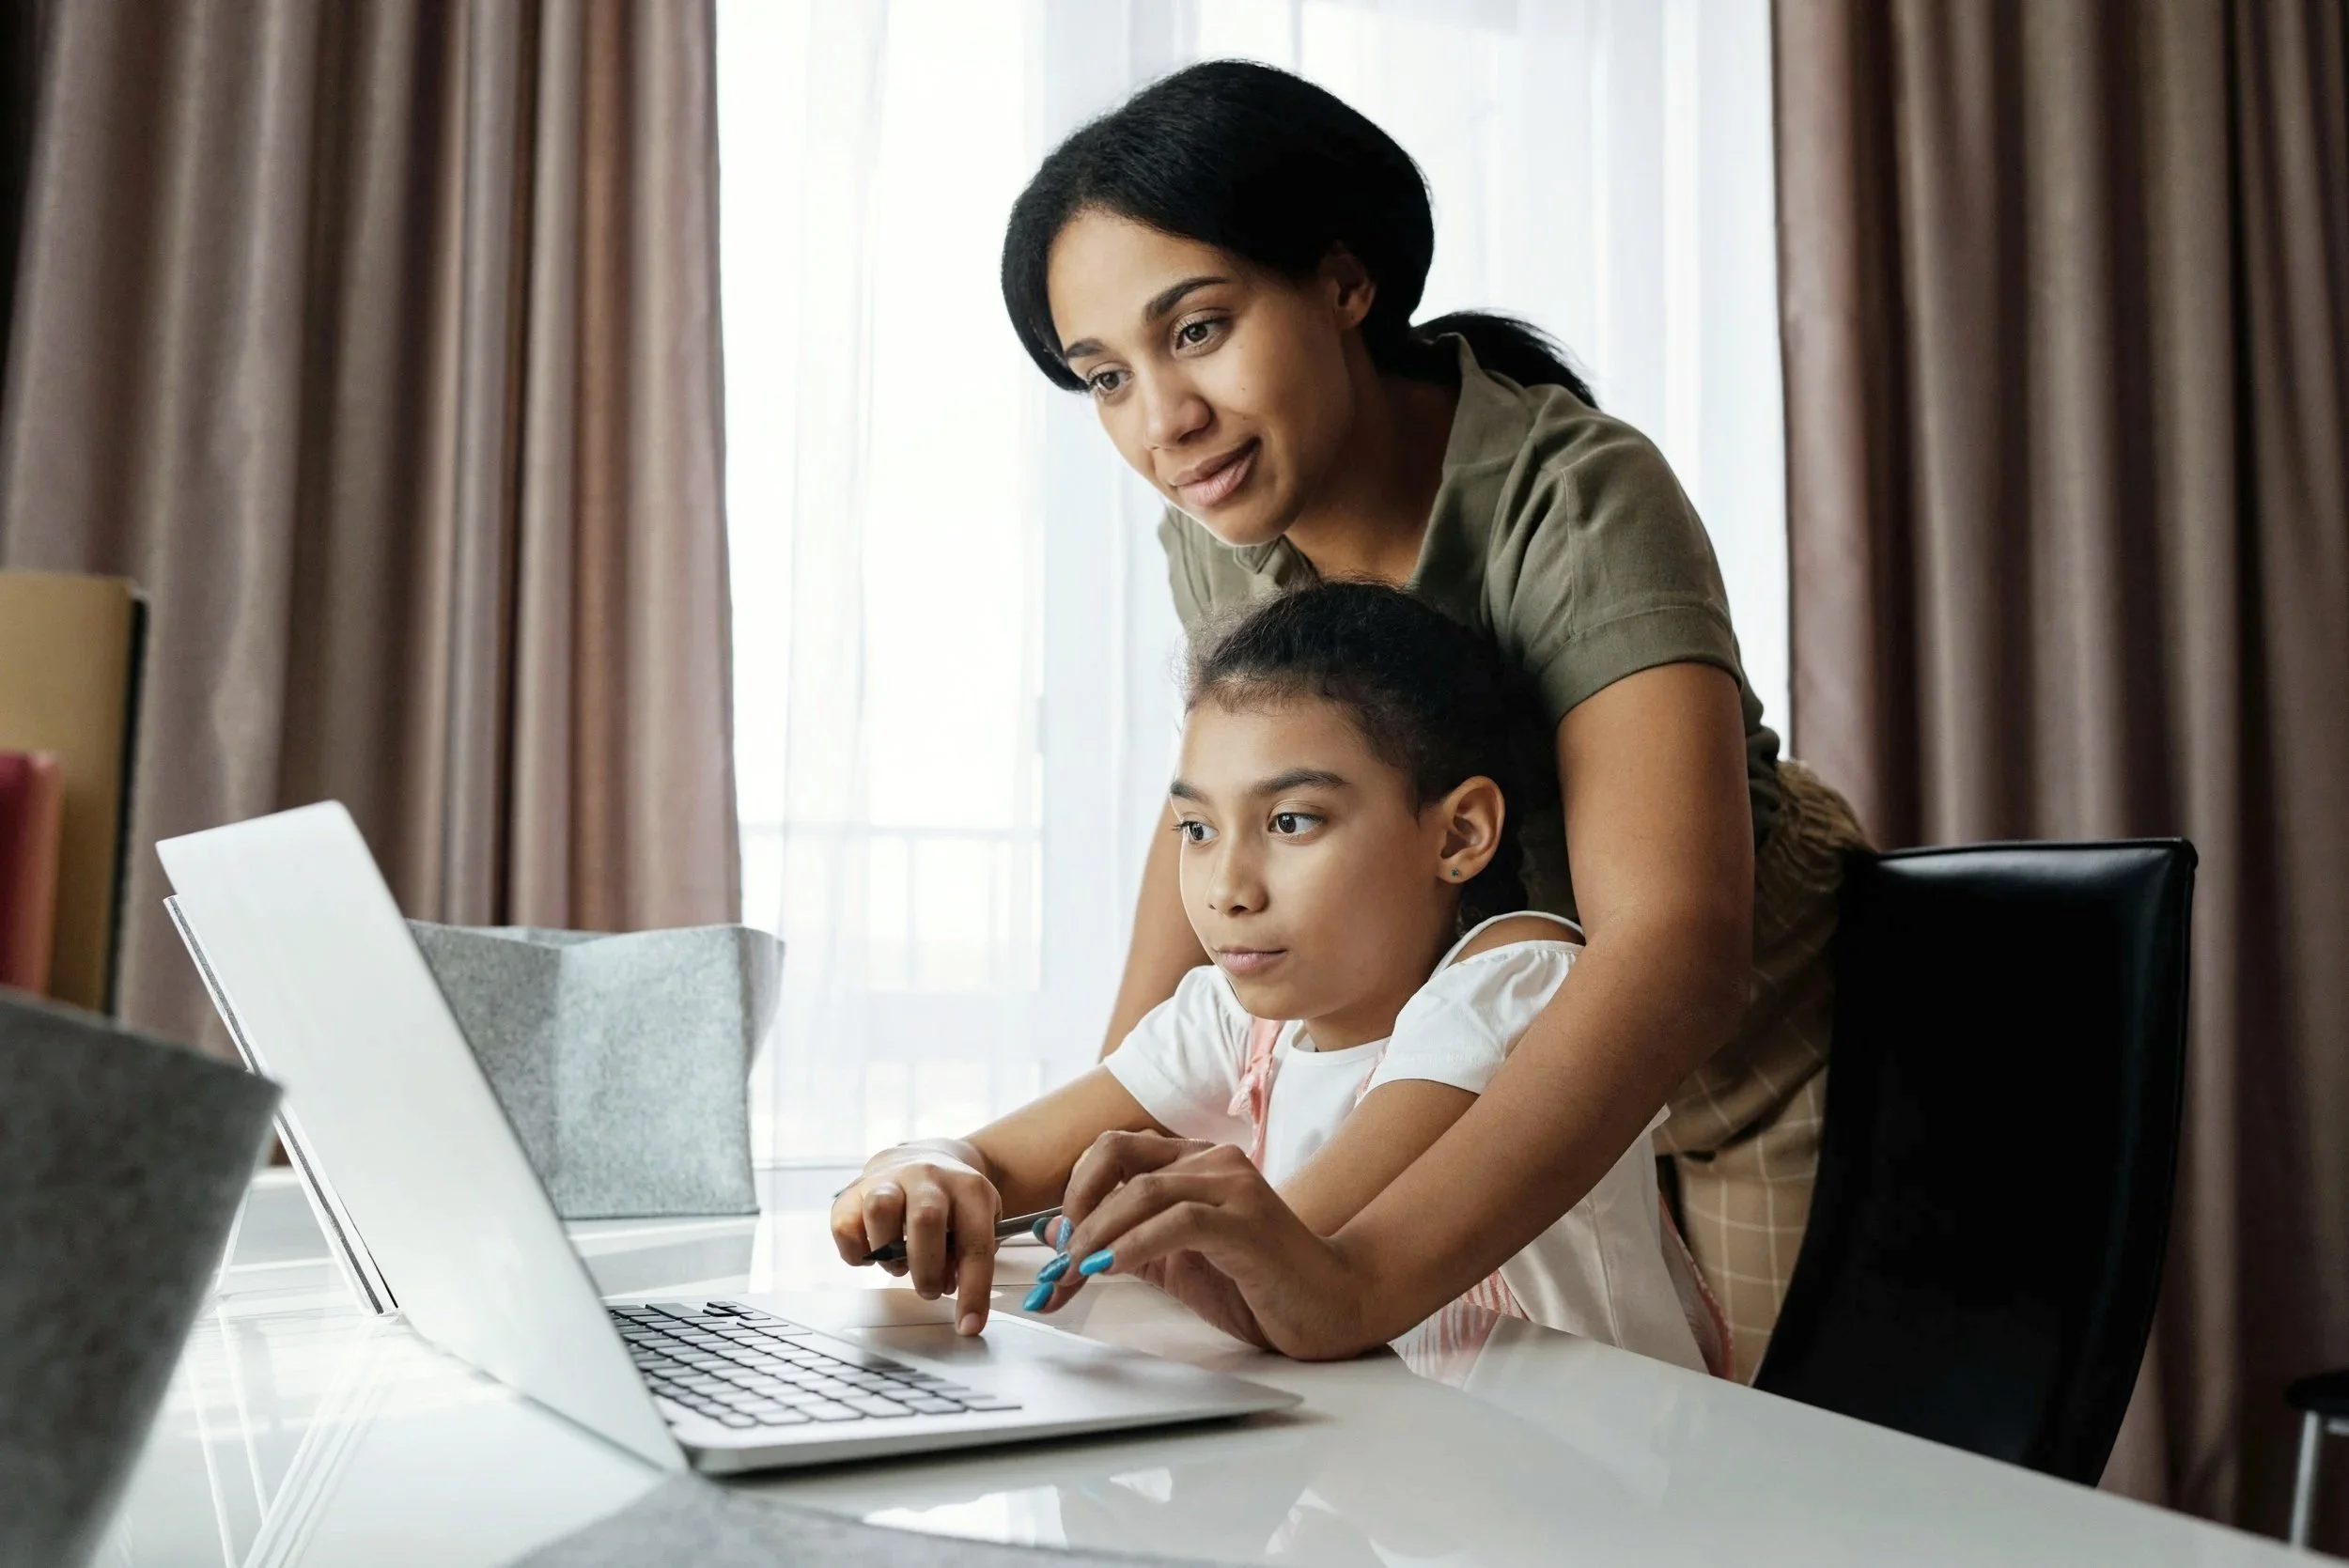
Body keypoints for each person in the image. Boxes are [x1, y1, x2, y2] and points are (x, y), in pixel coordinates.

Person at [973, 58, 1875, 1376]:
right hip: (1468, 1057)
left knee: (1770, 1488)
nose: (1163, 422)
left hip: (1737, 1062)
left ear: (1345, 283)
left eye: (1197, 330)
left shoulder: (1576, 496)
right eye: (1103, 376)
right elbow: (1214, 828)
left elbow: (1675, 946)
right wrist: (1118, 1158)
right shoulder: (1222, 523)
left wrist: (1362, 1278)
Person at [832, 581, 1708, 1374]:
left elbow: (1290, 1264)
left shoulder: (1518, 982)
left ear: (1458, 834)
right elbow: (994, 1157)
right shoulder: (1239, 1020)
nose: (1227, 890)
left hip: (1581, 1487)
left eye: (1291, 820)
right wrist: (923, 1171)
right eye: (1197, 829)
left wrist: (1116, 1222)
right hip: (1394, 1477)